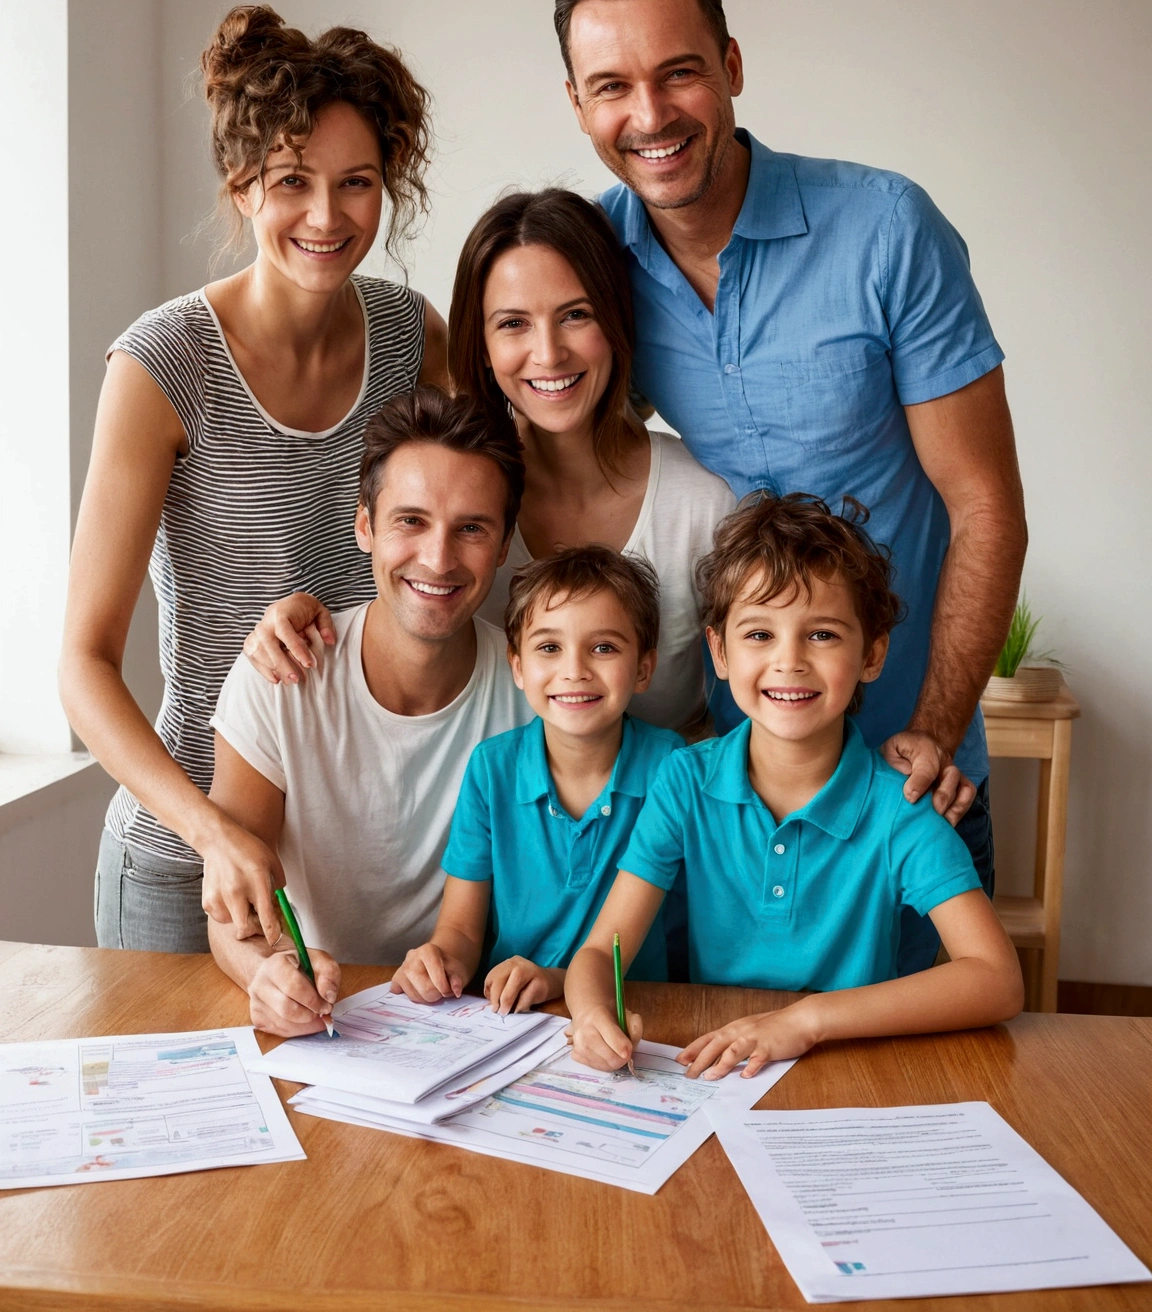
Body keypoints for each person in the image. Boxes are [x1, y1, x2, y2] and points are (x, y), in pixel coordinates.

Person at [553, 0, 1029, 971]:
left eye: (679, 71)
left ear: (730, 65)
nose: (651, 115)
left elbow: (985, 503)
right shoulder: (593, 261)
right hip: (731, 803)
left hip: (910, 781)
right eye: (612, 87)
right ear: (578, 103)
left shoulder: (887, 229)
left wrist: (940, 730)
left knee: (924, 1107)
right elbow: (524, 444)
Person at [59, 5, 448, 954]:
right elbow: (82, 667)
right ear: (242, 189)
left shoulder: (412, 338)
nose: (327, 216)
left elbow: (470, 543)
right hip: (186, 857)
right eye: (291, 183)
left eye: (357, 184)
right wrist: (211, 831)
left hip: (344, 858)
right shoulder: (164, 363)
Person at [565, 493, 1024, 1078]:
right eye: (759, 634)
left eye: (823, 635)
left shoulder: (900, 805)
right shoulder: (684, 781)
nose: (789, 661)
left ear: (873, 653)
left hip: (850, 1069)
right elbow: (602, 952)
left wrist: (805, 1021)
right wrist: (589, 1014)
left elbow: (996, 978)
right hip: (716, 1069)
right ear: (719, 650)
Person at [250, 188, 735, 740]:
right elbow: (393, 611)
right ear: (479, 343)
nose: (548, 354)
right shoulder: (455, 499)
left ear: (618, 322)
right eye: (513, 324)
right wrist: (296, 615)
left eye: (576, 315)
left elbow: (743, 707)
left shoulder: (706, 506)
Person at [207, 387, 530, 1037]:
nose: (438, 559)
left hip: (472, 1018)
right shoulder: (278, 676)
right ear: (364, 526)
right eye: (410, 521)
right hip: (324, 1009)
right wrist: (262, 973)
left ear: (502, 547)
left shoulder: (536, 692)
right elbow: (230, 911)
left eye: (471, 528)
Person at [393, 547, 683, 1015]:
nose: (575, 670)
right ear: (518, 667)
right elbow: (462, 932)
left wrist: (558, 980)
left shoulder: (671, 766)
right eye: (549, 647)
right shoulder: (492, 770)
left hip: (635, 1011)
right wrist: (438, 962)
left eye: (604, 647)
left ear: (644, 668)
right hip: (508, 1013)